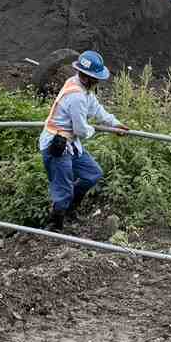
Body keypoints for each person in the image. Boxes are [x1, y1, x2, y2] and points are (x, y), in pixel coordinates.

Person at [39, 50, 128, 231]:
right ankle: (55, 225)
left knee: (92, 173)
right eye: (96, 78)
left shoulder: (82, 88)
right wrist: (95, 129)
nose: (98, 82)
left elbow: (96, 109)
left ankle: (70, 208)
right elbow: (80, 129)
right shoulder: (76, 96)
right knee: (63, 189)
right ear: (87, 77)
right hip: (57, 144)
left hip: (70, 143)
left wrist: (115, 124)